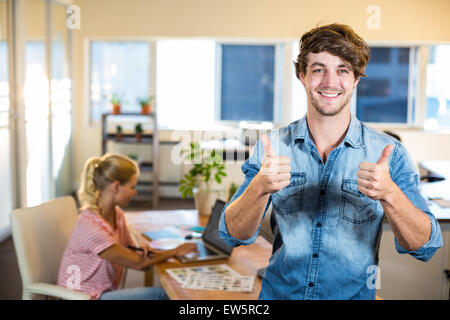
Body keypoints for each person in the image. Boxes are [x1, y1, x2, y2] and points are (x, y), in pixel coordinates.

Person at [219, 23, 443, 300]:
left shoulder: (389, 152)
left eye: (342, 70)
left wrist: (390, 194)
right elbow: (232, 235)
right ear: (302, 75)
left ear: (356, 79)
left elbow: (425, 247)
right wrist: (258, 187)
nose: (330, 82)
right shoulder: (272, 147)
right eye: (318, 69)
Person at [57, 154, 197, 300]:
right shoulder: (89, 226)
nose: (135, 192)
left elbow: (136, 253)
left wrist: (144, 251)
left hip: (100, 293)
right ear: (116, 186)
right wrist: (175, 251)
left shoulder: (116, 214)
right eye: (132, 187)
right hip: (83, 297)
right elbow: (140, 264)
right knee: (159, 295)